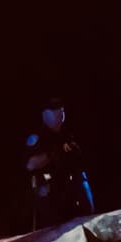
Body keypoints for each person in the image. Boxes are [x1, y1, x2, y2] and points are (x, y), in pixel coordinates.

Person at [25, 96, 94, 229]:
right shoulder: (37, 137)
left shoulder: (69, 133)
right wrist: (52, 154)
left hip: (74, 189)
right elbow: (30, 165)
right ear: (45, 114)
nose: (60, 112)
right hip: (52, 194)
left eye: (61, 109)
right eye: (54, 110)